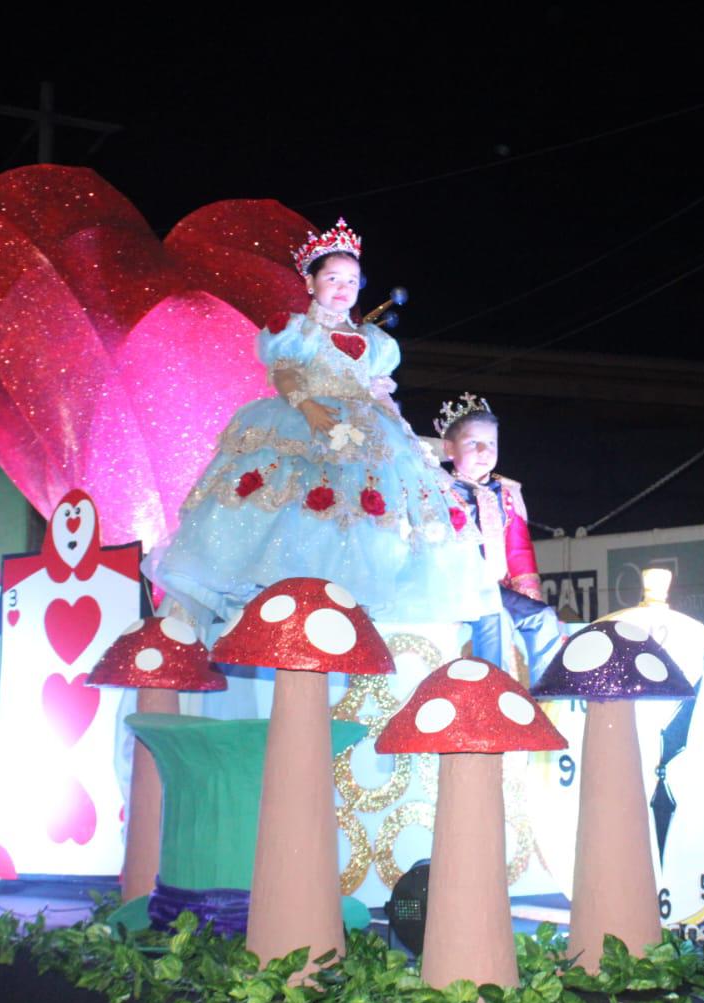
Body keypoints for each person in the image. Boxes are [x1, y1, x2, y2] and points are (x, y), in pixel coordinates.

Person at [148, 219, 499, 628]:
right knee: (295, 507)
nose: (343, 287)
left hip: (366, 432)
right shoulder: (298, 330)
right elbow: (284, 372)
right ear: (311, 283)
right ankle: (281, 610)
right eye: (332, 277)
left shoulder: (374, 341)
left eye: (351, 280)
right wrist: (307, 406)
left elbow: (378, 390)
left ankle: (348, 615)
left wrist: (402, 434)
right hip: (306, 421)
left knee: (364, 518)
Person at [437, 394, 561, 682]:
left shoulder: (506, 493)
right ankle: (491, 696)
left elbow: (519, 552)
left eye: (491, 443)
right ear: (449, 448)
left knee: (543, 617)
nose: (484, 451)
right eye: (473, 443)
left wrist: (529, 599)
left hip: (496, 590)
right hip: (454, 587)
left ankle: (548, 695)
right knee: (496, 617)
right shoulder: (439, 490)